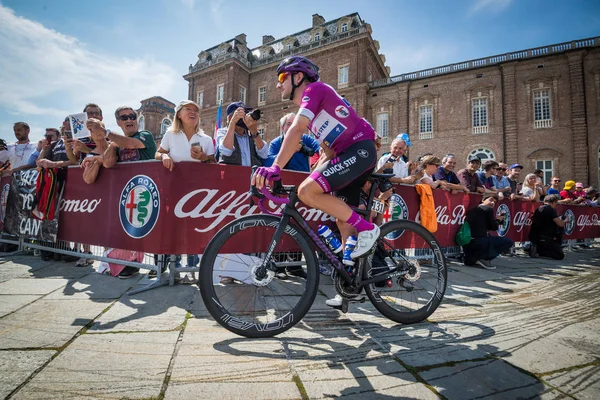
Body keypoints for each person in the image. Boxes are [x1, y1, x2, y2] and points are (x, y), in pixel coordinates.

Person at [252, 55, 379, 269]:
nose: (278, 84)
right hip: (349, 155)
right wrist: (314, 176)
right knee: (343, 220)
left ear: (299, 77)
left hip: (359, 150)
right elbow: (328, 152)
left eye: (282, 76)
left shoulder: (314, 90)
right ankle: (352, 281)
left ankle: (368, 229)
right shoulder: (317, 112)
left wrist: (275, 168)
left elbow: (296, 130)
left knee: (307, 191)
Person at [155, 100, 214, 171]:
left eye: (196, 110)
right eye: (188, 109)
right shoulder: (170, 134)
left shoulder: (207, 139)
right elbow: (158, 153)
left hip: (198, 181)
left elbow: (213, 164)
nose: (193, 112)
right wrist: (163, 156)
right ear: (179, 114)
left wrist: (204, 158)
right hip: (174, 181)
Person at [462, 193, 514, 269]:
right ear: (483, 200)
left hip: (468, 243)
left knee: (490, 238)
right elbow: (493, 227)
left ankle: (473, 258)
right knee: (509, 242)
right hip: (479, 241)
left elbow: (481, 226)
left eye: (495, 202)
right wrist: (498, 220)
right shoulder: (488, 209)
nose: (493, 203)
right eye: (491, 200)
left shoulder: (472, 210)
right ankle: (483, 258)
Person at [215, 101, 268, 166]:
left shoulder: (251, 134)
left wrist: (254, 131)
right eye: (241, 115)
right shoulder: (223, 132)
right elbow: (226, 151)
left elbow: (264, 154)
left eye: (246, 114)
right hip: (232, 174)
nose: (244, 117)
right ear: (230, 118)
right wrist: (232, 123)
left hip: (252, 174)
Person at [528, 194, 565, 260]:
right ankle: (539, 252)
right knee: (560, 255)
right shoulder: (550, 210)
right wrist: (564, 221)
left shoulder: (538, 208)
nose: (556, 205)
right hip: (546, 238)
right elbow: (560, 224)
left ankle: (538, 249)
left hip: (537, 237)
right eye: (556, 203)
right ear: (553, 202)